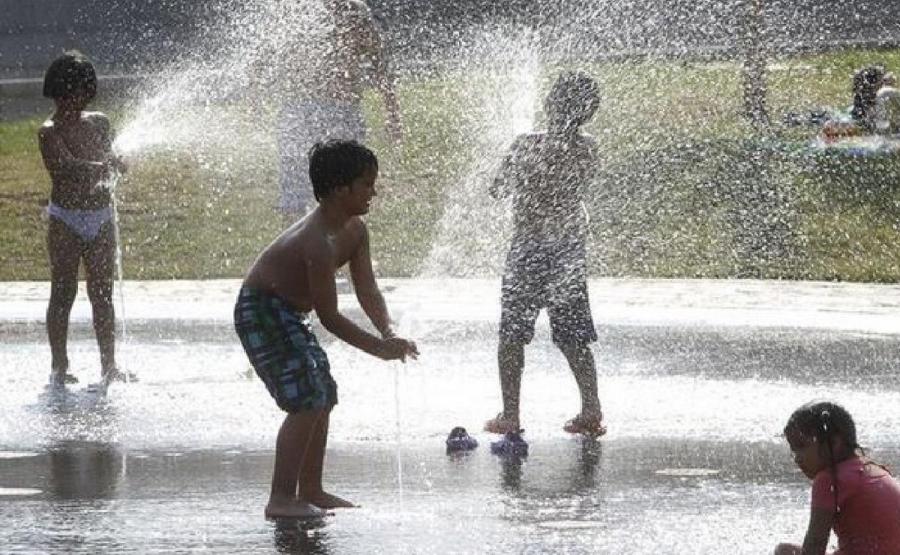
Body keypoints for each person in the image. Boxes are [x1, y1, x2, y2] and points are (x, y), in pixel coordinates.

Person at [234, 139, 418, 519]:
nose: (374, 191)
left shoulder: (354, 231)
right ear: (339, 188)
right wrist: (377, 348)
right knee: (306, 398)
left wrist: (387, 331)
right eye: (366, 184)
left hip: (287, 313)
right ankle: (280, 498)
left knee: (323, 392)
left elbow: (367, 289)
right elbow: (329, 316)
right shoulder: (317, 241)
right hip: (262, 310)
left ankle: (312, 489)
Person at [483, 71, 605, 438]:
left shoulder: (525, 144)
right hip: (568, 250)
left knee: (512, 334)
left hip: (529, 249)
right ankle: (591, 408)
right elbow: (584, 182)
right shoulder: (588, 148)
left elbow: (498, 189)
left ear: (549, 104)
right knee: (572, 334)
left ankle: (511, 413)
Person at [38, 51, 132, 387]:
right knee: (63, 292)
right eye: (66, 95)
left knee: (102, 293)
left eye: (79, 94)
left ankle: (109, 365)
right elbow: (64, 169)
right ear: (56, 93)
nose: (72, 101)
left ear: (87, 92)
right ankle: (59, 367)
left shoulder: (100, 122)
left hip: (100, 217)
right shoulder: (48, 131)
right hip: (66, 219)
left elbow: (113, 155)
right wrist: (101, 167)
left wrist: (118, 161)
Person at [275, 0, 402, 223]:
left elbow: (380, 66)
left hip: (339, 112)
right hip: (301, 111)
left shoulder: (353, 12)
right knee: (296, 195)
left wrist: (392, 114)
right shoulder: (299, 9)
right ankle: (303, 252)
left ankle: (343, 250)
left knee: (347, 190)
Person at [774, 401, 900, 555]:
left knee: (784, 551)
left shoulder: (829, 480)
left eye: (801, 446)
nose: (797, 459)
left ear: (834, 443)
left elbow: (815, 545)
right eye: (793, 451)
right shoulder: (873, 470)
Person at [875, 71, 900, 135]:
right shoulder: (890, 91)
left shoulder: (879, 91)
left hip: (879, 123)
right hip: (887, 123)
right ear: (891, 81)